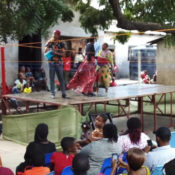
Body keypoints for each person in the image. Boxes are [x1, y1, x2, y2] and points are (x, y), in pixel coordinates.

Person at [44, 30, 67, 99]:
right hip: (51, 63)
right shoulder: (49, 42)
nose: (53, 35)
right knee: (51, 78)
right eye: (53, 33)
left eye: (55, 34)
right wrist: (50, 50)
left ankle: (63, 93)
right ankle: (52, 94)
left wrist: (56, 53)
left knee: (61, 78)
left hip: (59, 63)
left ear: (58, 35)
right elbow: (45, 52)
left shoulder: (61, 43)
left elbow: (64, 54)